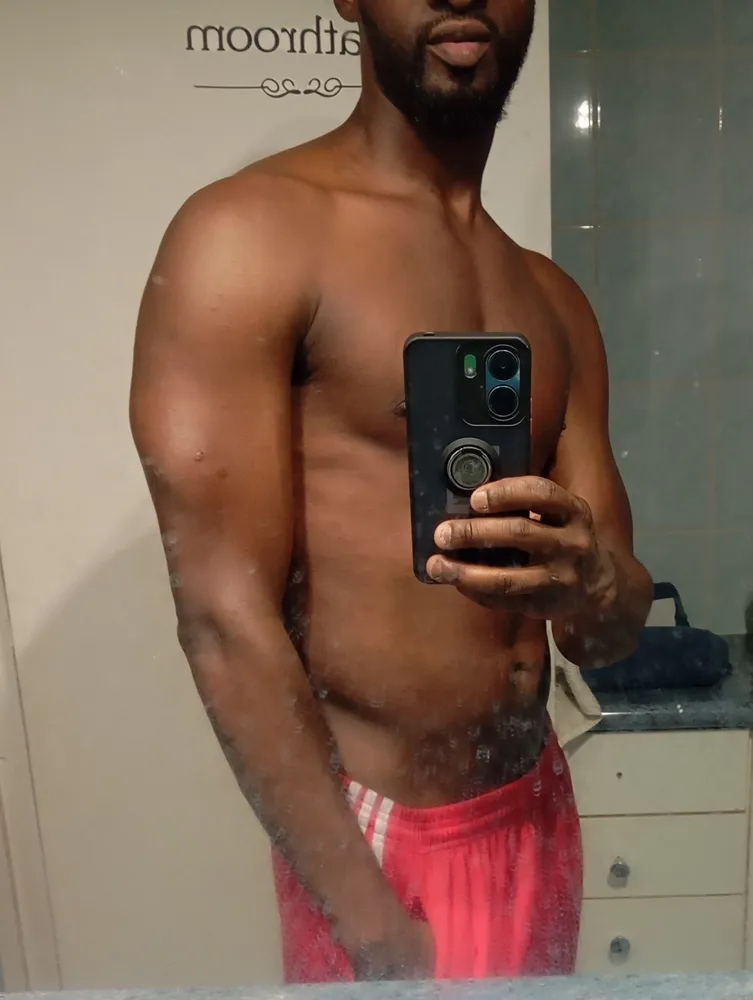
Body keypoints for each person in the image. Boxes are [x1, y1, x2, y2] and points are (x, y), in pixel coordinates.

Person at [130, 0, 652, 984]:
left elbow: (606, 634)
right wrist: (373, 928)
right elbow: (222, 619)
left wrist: (589, 578)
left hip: (538, 812)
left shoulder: (554, 300)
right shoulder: (248, 235)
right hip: (382, 858)